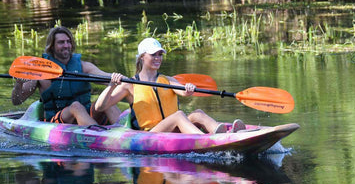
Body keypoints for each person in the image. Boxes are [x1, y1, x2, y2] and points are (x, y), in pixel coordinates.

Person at [95, 38, 245, 134]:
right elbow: (100, 108)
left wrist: (189, 89)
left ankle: (225, 134)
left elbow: (184, 93)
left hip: (172, 128)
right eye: (153, 55)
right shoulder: (130, 84)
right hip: (151, 134)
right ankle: (205, 140)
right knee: (179, 116)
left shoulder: (167, 80)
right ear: (142, 57)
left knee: (197, 113)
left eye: (160, 54)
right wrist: (111, 86)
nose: (158, 58)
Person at [12, 26, 121, 126]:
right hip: (57, 121)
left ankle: (125, 133)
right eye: (61, 42)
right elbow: (17, 101)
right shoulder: (40, 72)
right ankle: (99, 136)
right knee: (76, 106)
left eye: (68, 42)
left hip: (86, 116)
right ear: (52, 46)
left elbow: (106, 77)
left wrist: (119, 79)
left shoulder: (84, 67)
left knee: (107, 102)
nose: (66, 45)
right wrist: (19, 83)